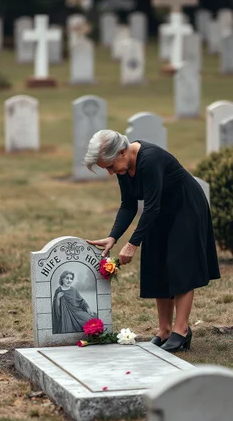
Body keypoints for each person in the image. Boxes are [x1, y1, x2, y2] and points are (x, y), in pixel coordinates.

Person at [84, 130, 220, 352]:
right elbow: (128, 204)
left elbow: (152, 205)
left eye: (109, 166)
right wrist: (113, 237)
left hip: (185, 208)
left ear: (121, 151)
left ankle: (181, 330)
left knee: (180, 266)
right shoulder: (123, 165)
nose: (110, 172)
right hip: (159, 212)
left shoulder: (150, 159)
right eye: (106, 168)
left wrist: (132, 244)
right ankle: (164, 330)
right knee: (156, 263)